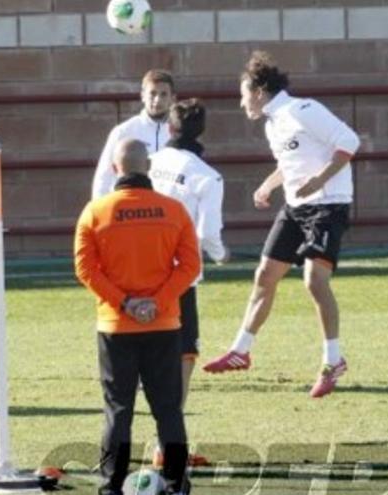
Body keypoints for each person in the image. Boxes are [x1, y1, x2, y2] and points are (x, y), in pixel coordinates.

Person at [202, 51, 361, 399]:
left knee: (314, 281)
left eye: (243, 94)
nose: (241, 102)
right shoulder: (273, 123)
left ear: (258, 91)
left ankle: (333, 361)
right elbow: (291, 162)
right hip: (295, 207)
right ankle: (240, 351)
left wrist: (318, 182)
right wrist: (268, 185)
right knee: (264, 276)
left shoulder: (303, 110)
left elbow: (349, 143)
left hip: (327, 206)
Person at [75, 139, 201, 495]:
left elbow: (85, 269)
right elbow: (190, 266)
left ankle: (111, 485)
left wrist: (125, 303)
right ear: (147, 167)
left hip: (115, 327)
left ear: (116, 168)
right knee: (168, 410)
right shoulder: (173, 210)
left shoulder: (95, 212)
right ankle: (177, 484)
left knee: (118, 409)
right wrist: (157, 302)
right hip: (164, 326)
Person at [148, 99, 228, 468]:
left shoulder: (150, 161)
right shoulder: (206, 175)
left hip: (138, 270)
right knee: (182, 356)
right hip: (179, 278)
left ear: (169, 128)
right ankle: (168, 444)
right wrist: (220, 254)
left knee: (139, 357)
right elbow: (208, 233)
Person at [91, 69, 175, 200]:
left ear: (172, 98)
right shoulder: (124, 131)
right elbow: (104, 175)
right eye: (152, 93)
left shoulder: (177, 133)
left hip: (166, 210)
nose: (157, 100)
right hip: (130, 208)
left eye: (163, 94)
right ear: (142, 95)